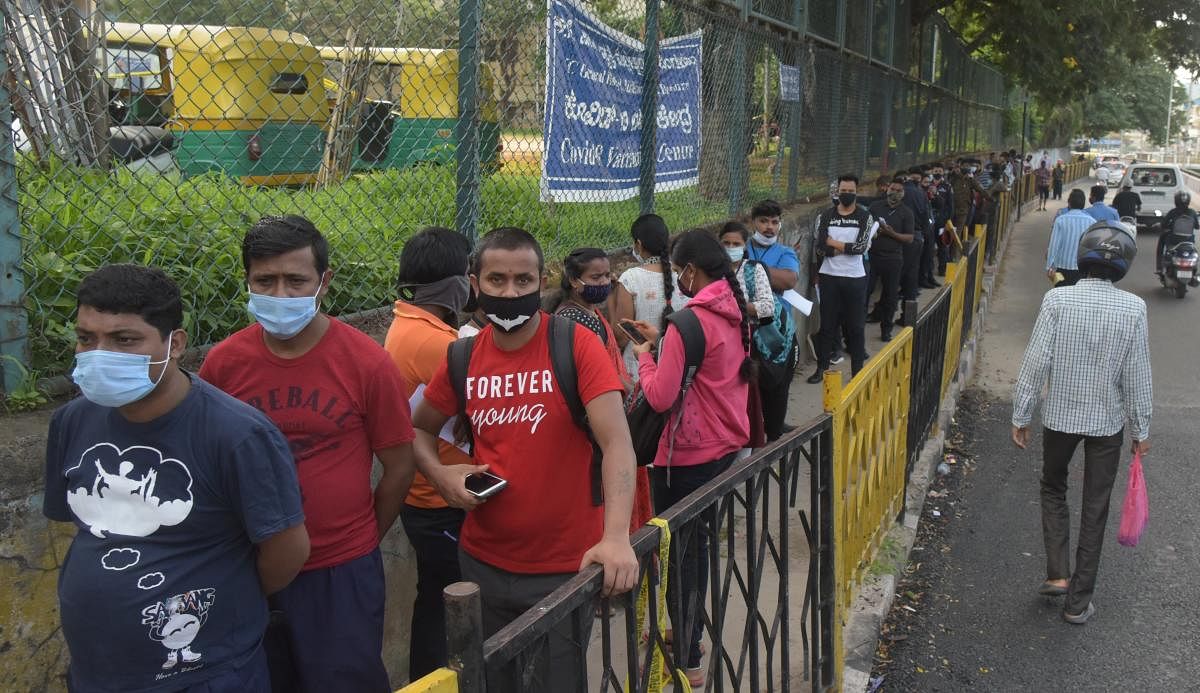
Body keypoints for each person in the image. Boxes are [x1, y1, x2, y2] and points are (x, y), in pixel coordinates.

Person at [45, 264, 309, 692]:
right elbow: (83, 528)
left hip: (206, 674)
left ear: (175, 344)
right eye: (85, 338)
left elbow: (286, 551)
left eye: (124, 340)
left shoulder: (238, 436)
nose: (99, 354)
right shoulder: (72, 421)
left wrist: (222, 601)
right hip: (96, 673)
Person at [411, 227, 639, 693]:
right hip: (480, 566)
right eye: (496, 280)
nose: (510, 292)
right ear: (475, 284)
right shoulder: (461, 357)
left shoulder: (575, 345)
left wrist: (616, 537)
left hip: (564, 569)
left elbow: (618, 443)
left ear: (542, 283)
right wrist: (439, 475)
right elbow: (415, 429)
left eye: (523, 281)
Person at [199, 216, 416, 693]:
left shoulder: (366, 362)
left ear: (324, 281)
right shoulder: (224, 364)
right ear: (248, 282)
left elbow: (399, 465)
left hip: (340, 571)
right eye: (265, 281)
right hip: (248, 569)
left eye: (296, 281)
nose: (280, 294)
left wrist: (361, 541)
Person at [627, 230, 752, 689]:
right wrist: (667, 341)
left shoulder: (688, 321)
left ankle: (688, 652)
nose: (675, 278)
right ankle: (686, 634)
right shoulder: (733, 308)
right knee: (695, 547)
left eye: (677, 271)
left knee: (681, 555)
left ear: (690, 271)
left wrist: (644, 356)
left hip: (685, 456)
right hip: (724, 446)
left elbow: (660, 397)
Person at [1012, 220, 1151, 625]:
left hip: (1060, 417)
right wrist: (1141, 429)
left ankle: (1058, 573)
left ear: (1082, 256)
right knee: (1096, 506)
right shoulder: (1135, 309)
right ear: (1124, 264)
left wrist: (1021, 414)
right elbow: (1137, 374)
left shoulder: (1058, 301)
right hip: (1107, 424)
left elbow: (1037, 361)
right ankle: (1077, 603)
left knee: (1053, 486)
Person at [381, 226, 473, 680]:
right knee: (449, 602)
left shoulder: (408, 324)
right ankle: (437, 680)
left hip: (425, 491)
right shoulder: (441, 344)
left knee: (433, 594)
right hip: (441, 495)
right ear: (455, 283)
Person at [552, 247, 651, 532]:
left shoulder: (591, 311)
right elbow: (600, 374)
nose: (604, 282)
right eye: (595, 277)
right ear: (573, 281)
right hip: (594, 424)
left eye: (608, 275)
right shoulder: (574, 320)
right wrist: (637, 390)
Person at [807, 174, 878, 384]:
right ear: (837, 192)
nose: (846, 194)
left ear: (857, 192)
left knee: (855, 327)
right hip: (829, 277)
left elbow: (860, 248)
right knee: (827, 325)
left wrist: (834, 244)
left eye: (850, 191)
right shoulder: (826, 216)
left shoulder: (865, 217)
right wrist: (841, 248)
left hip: (855, 278)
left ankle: (858, 372)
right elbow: (820, 247)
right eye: (843, 191)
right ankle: (822, 369)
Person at [745, 199, 800, 440]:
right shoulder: (740, 245)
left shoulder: (786, 252)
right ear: (753, 222)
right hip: (746, 332)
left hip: (777, 334)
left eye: (774, 222)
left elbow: (788, 280)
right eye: (763, 221)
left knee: (778, 388)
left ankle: (775, 432)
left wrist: (751, 269)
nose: (769, 227)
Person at [611, 214, 686, 381]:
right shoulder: (684, 274)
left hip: (639, 372)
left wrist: (611, 297)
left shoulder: (630, 279)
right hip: (677, 368)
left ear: (638, 244)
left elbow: (621, 338)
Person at [866, 178, 915, 341]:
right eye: (892, 189)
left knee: (890, 295)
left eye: (899, 190)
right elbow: (866, 229)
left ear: (903, 194)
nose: (895, 193)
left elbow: (909, 238)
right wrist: (877, 232)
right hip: (873, 256)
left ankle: (886, 329)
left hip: (893, 258)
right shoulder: (875, 207)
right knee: (866, 291)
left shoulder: (906, 212)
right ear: (887, 190)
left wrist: (891, 233)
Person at [719, 221, 774, 321]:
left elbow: (768, 307)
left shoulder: (753, 269)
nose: (731, 247)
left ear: (744, 246)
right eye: (726, 243)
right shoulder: (712, 270)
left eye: (736, 244)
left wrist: (733, 305)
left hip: (748, 332)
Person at [1045, 189, 1094, 287]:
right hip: (1082, 268)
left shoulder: (1060, 220)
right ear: (1083, 204)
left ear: (1069, 203)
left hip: (1061, 267)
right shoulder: (1092, 222)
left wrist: (1049, 266)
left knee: (1060, 293)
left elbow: (1054, 245)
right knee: (1077, 297)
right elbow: (1092, 247)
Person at [900, 168, 931, 303]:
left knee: (900, 272)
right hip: (918, 235)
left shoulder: (904, 192)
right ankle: (908, 310)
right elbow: (926, 214)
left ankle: (887, 310)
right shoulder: (921, 193)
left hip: (905, 235)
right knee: (912, 271)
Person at [1157, 191, 1199, 275]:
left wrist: (1165, 226)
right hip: (1189, 241)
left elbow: (1164, 224)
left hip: (1174, 240)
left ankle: (1159, 268)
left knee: (1161, 242)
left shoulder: (1173, 212)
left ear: (1176, 201)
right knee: (1195, 253)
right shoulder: (1192, 212)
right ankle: (1195, 270)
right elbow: (1197, 226)